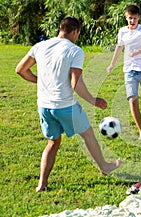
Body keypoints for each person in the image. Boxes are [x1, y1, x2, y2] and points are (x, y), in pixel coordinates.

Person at [15, 17, 121, 192]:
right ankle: (105, 166)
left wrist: (40, 81)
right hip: (65, 106)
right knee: (87, 134)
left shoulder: (40, 46)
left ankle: (42, 184)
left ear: (61, 29)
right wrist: (94, 101)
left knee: (52, 143)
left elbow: (20, 70)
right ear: (75, 32)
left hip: (44, 106)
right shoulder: (75, 51)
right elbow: (75, 83)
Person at [107, 4, 141, 140]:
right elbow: (119, 47)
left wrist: (138, 51)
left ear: (139, 17)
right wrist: (112, 64)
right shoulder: (122, 31)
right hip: (129, 70)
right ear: (126, 17)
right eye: (130, 18)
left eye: (134, 18)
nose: (132, 21)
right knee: (132, 99)